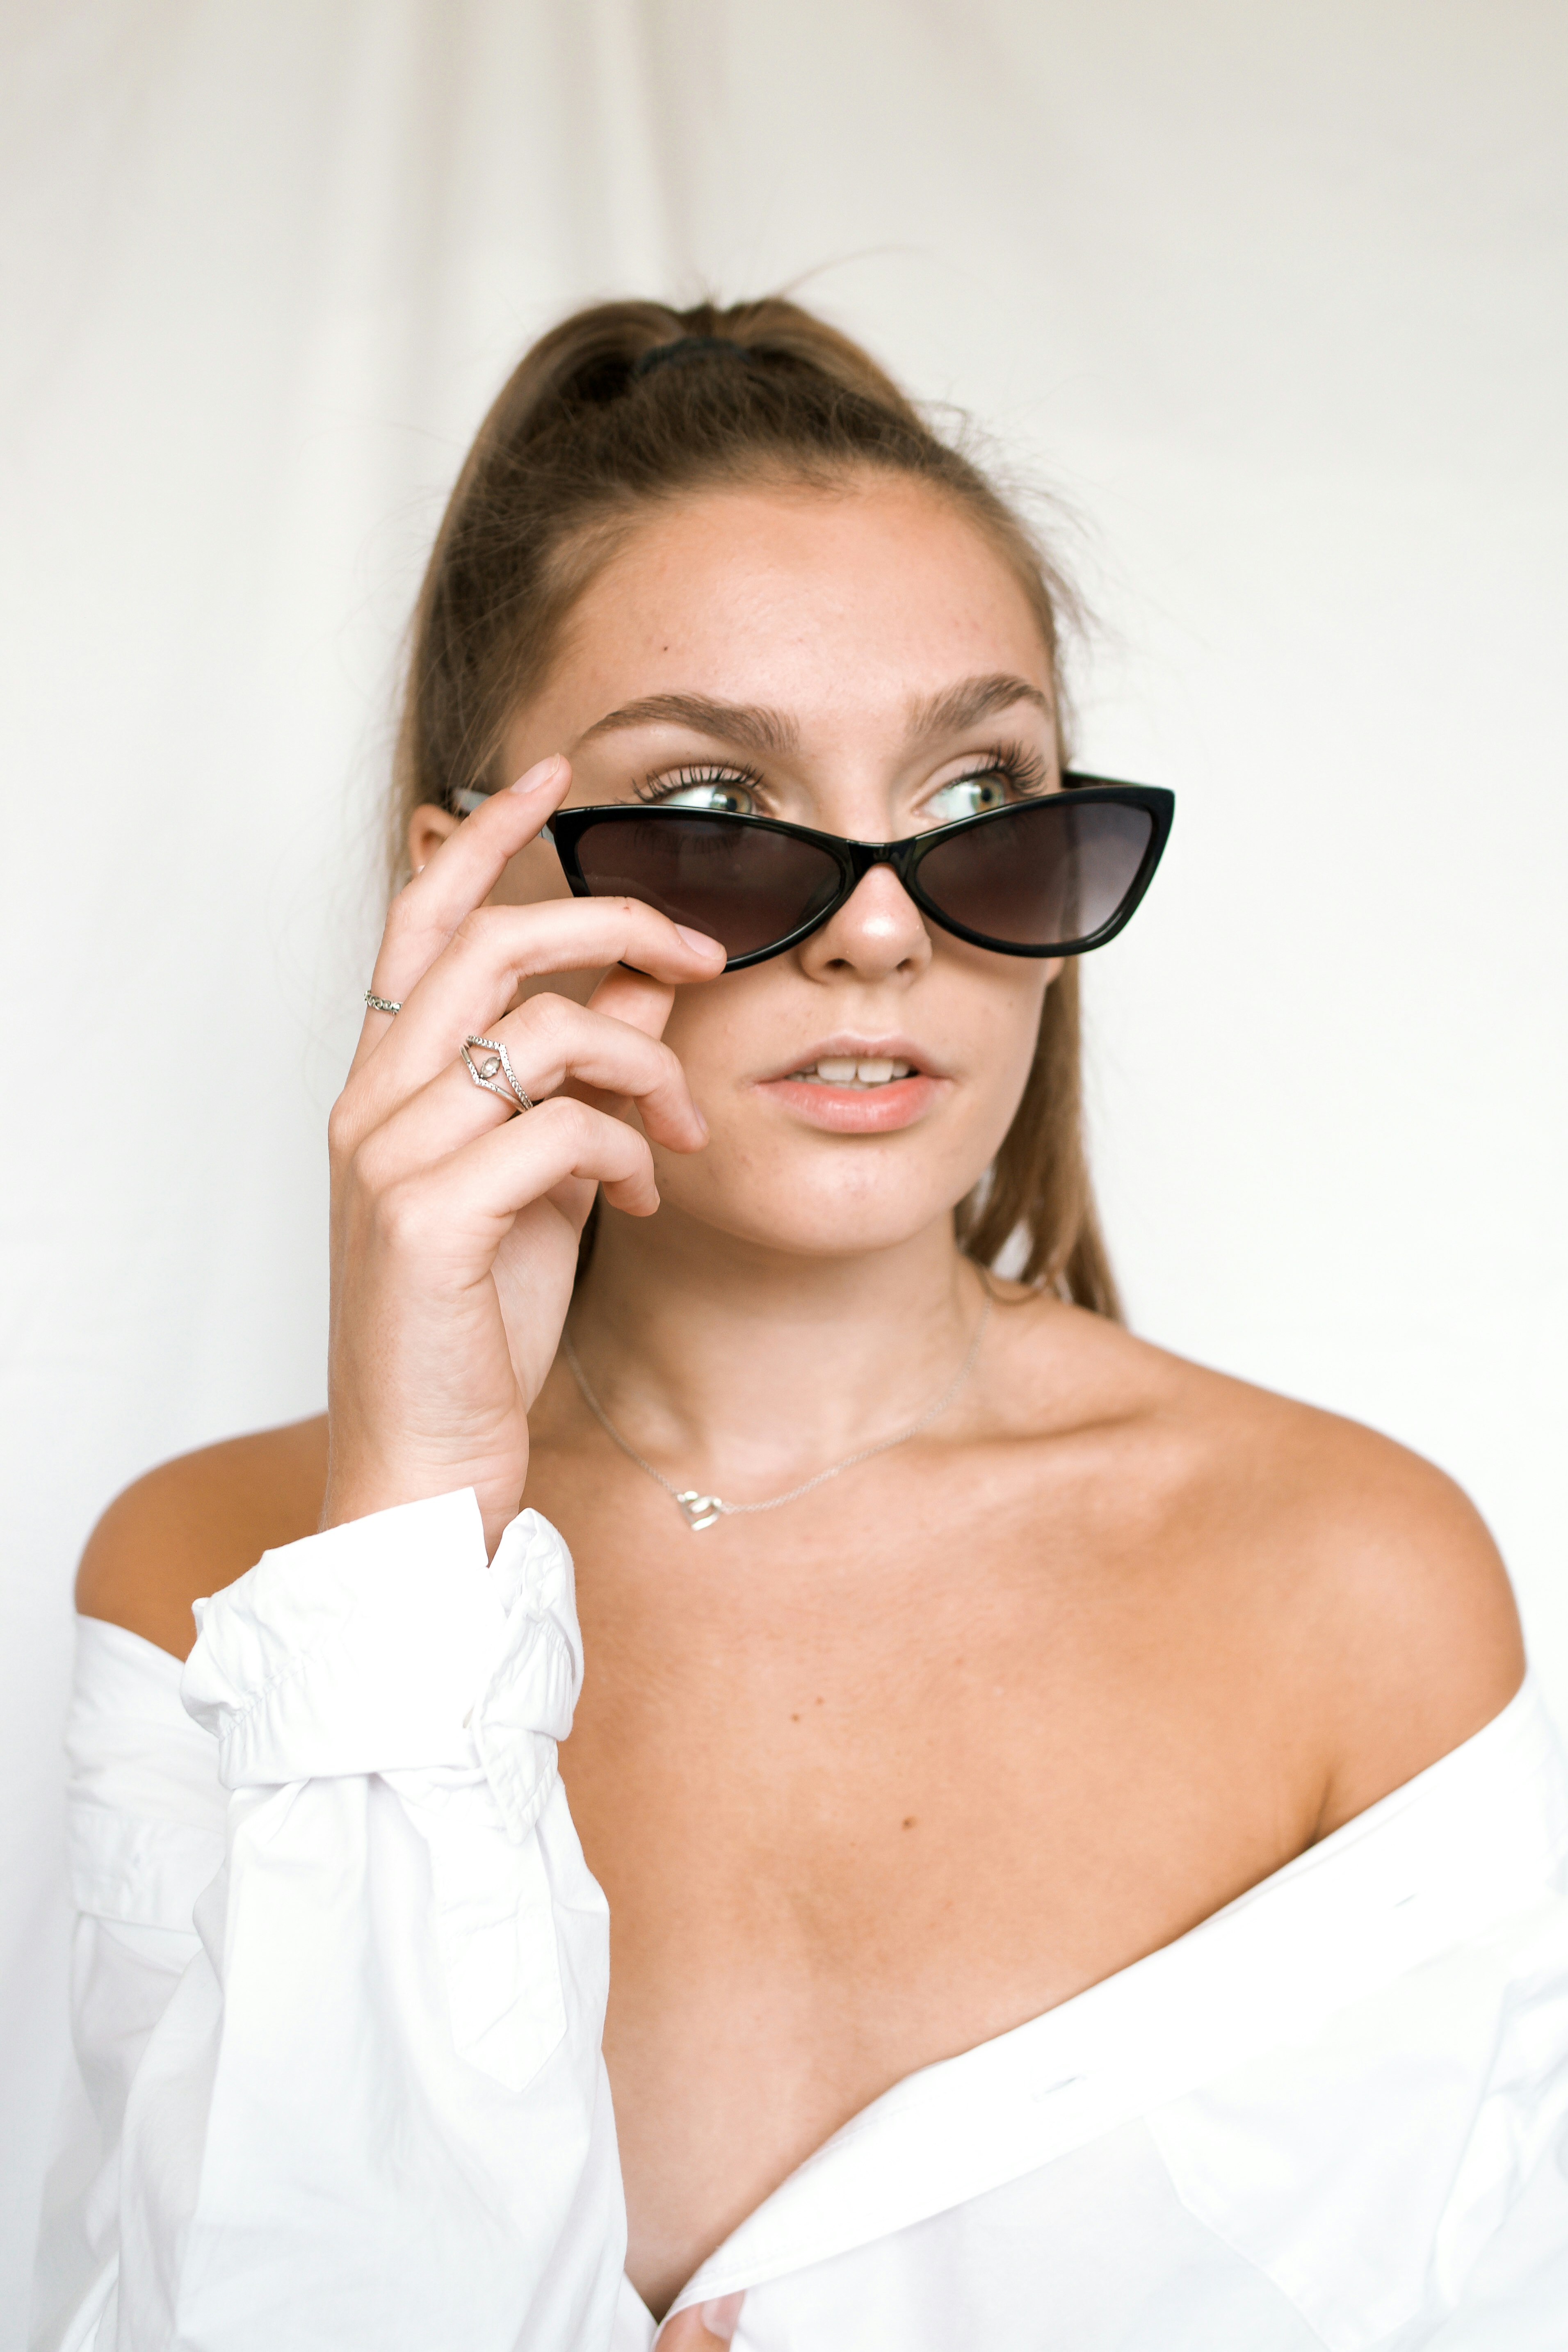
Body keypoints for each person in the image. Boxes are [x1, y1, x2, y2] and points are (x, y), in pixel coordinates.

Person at [34, 299, 1567, 2352]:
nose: (876, 922)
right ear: (468, 891)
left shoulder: (1363, 1593)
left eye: (970, 795)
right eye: (712, 806)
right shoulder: (211, 1591)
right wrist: (416, 1513)